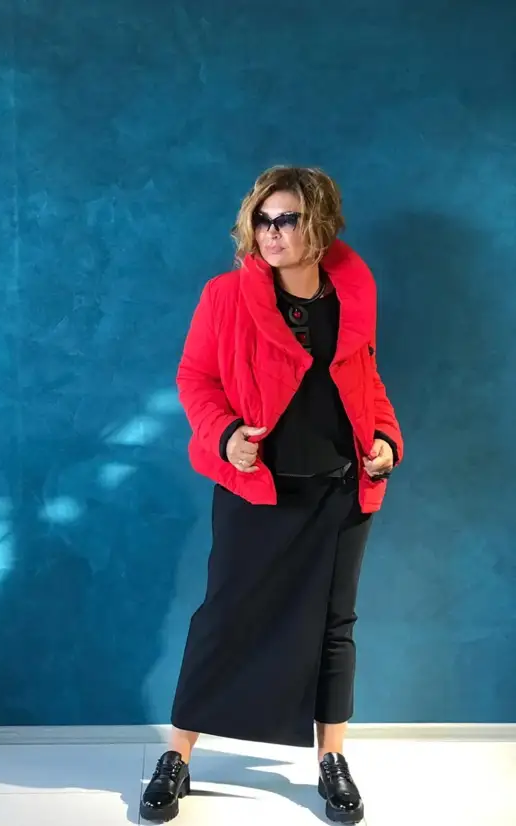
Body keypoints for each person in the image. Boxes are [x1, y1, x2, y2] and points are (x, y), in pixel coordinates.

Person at [140, 166, 403, 824]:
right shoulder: (225, 295)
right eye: (263, 219)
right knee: (225, 616)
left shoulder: (352, 296)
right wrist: (226, 434)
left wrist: (386, 440)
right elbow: (195, 377)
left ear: (320, 225)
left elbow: (368, 382)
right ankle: (177, 756)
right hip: (258, 486)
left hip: (341, 487)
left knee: (335, 625)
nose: (272, 232)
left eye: (287, 219)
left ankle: (331, 760)